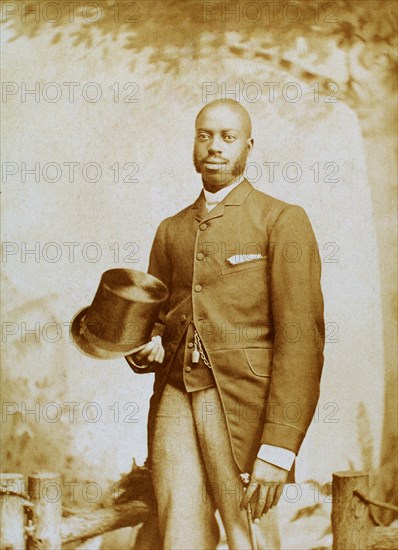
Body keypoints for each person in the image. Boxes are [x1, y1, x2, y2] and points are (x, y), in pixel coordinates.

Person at [126, 99, 325, 549]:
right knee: (179, 530)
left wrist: (278, 449)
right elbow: (155, 322)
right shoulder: (170, 230)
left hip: (245, 405)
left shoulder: (282, 220)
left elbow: (302, 344)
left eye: (227, 137)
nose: (214, 146)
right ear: (194, 144)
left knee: (248, 535)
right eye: (204, 135)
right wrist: (147, 345)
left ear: (248, 146)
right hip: (176, 395)